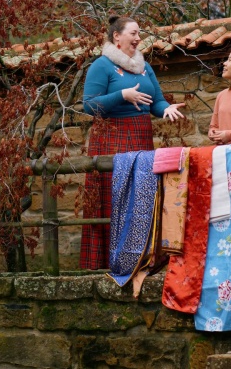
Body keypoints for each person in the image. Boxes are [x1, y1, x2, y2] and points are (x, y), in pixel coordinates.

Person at [80, 15, 185, 270]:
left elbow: (156, 101)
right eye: (133, 33)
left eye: (140, 34)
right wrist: (121, 95)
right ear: (117, 36)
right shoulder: (102, 66)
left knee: (141, 196)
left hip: (140, 136)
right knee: (114, 197)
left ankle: (140, 260)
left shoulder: (143, 67)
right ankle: (108, 262)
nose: (138, 38)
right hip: (111, 138)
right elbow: (89, 105)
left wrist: (165, 109)